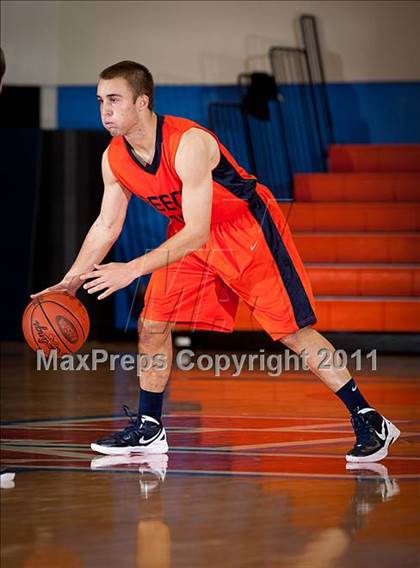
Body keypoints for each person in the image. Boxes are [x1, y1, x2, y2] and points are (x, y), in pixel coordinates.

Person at [32, 61, 400, 462]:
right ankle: (150, 427)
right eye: (101, 100)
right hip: (188, 233)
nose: (105, 110)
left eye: (115, 100)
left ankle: (368, 418)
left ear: (142, 102)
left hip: (244, 227)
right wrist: (70, 280)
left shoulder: (188, 142)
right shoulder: (114, 158)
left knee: (292, 331)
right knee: (153, 324)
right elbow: (106, 225)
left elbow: (198, 232)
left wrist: (131, 269)